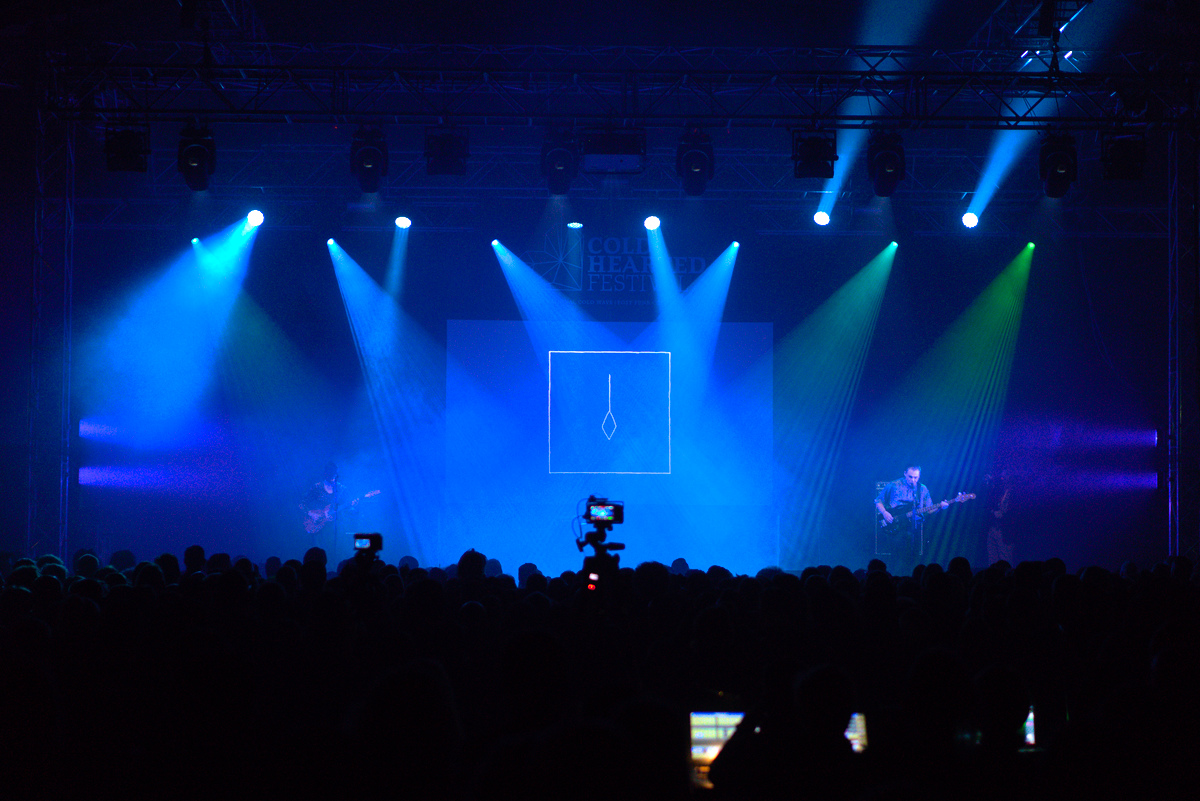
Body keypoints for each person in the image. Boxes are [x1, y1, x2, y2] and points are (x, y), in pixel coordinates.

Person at [874, 464, 949, 572]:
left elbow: (929, 510)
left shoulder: (922, 489)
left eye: (916, 477)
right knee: (897, 555)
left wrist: (940, 507)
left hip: (914, 527)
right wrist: (884, 512)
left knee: (913, 555)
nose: (913, 480)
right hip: (895, 524)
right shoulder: (893, 485)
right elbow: (878, 500)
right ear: (905, 473)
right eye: (910, 477)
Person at [300, 462, 359, 556]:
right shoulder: (317, 487)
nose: (333, 475)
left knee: (336, 551)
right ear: (325, 473)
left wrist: (353, 506)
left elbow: (347, 508)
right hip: (319, 524)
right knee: (319, 552)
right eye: (331, 473)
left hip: (336, 526)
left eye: (335, 473)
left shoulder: (341, 489)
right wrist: (311, 513)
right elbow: (302, 503)